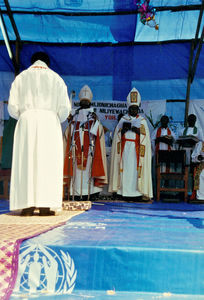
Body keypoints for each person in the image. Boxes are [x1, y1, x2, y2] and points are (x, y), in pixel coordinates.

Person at [8, 52, 71, 216]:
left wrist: (25, 114)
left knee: (26, 162)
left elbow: (12, 109)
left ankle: (27, 205)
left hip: (27, 121)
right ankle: (45, 206)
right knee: (47, 163)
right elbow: (64, 110)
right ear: (48, 63)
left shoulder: (21, 78)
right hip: (49, 122)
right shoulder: (56, 79)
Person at [63, 85, 108, 200]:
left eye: (86, 102)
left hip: (90, 150)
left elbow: (100, 134)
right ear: (79, 103)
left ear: (90, 104)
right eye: (82, 102)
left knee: (88, 170)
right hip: (76, 149)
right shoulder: (74, 118)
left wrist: (96, 123)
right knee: (77, 172)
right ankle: (76, 193)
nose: (84, 104)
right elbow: (67, 135)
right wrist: (71, 122)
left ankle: (91, 193)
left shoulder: (93, 119)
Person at [108, 87, 153, 200]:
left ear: (138, 109)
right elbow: (117, 136)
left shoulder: (142, 121)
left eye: (136, 108)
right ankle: (123, 192)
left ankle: (136, 193)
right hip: (125, 149)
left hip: (136, 150)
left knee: (135, 171)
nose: (134, 111)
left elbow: (146, 138)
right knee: (125, 170)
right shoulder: (123, 119)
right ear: (128, 108)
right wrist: (124, 130)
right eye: (132, 108)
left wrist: (137, 131)